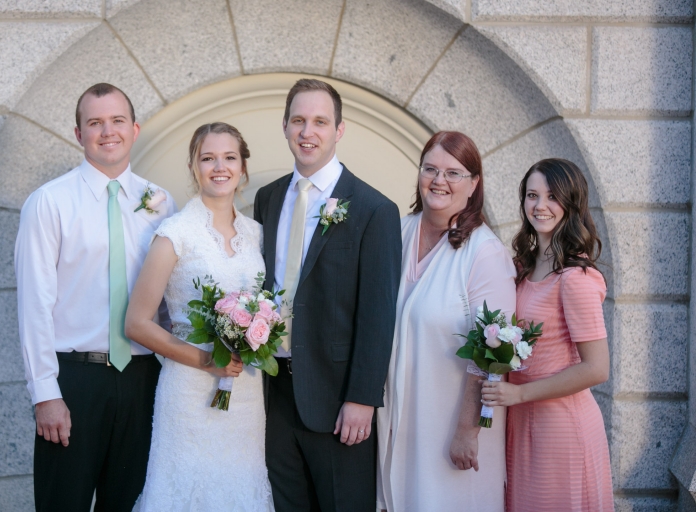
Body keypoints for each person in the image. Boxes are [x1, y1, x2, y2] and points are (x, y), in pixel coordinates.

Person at [15, 83, 176, 511]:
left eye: (117, 121)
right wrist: (45, 393)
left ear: (135, 129)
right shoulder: (48, 202)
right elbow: (34, 305)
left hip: (143, 380)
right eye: (95, 123)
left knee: (132, 504)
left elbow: (168, 303)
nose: (108, 131)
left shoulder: (161, 203)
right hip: (75, 382)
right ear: (78, 132)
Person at [253, 78, 401, 511]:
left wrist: (362, 399)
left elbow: (378, 314)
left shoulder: (374, 209)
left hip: (338, 400)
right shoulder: (268, 198)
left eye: (320, 121)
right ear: (284, 127)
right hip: (273, 392)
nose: (307, 132)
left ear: (339, 130)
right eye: (298, 120)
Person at [125, 122, 273, 511]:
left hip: (245, 398)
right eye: (208, 158)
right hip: (189, 394)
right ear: (194, 166)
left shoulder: (256, 234)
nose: (219, 167)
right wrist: (207, 361)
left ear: (243, 167)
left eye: (229, 157)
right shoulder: (174, 233)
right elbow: (137, 323)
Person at [377, 131, 515, 511]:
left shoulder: (485, 254)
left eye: (454, 173)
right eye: (431, 169)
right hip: (394, 419)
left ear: (474, 184)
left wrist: (466, 431)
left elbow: (492, 354)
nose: (439, 181)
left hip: (448, 424)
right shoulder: (398, 233)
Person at [481, 158, 613, 511]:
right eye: (532, 195)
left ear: (571, 203)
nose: (540, 206)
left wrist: (519, 393)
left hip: (561, 427)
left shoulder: (575, 278)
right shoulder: (525, 267)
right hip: (523, 423)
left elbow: (596, 368)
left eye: (552, 196)